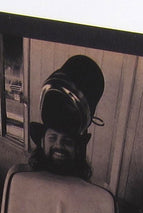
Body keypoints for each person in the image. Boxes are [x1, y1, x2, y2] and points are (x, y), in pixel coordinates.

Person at [26, 54, 104, 182]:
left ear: (77, 149)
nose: (59, 145)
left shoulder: (88, 192)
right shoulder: (22, 181)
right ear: (42, 141)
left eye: (67, 141)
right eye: (52, 137)